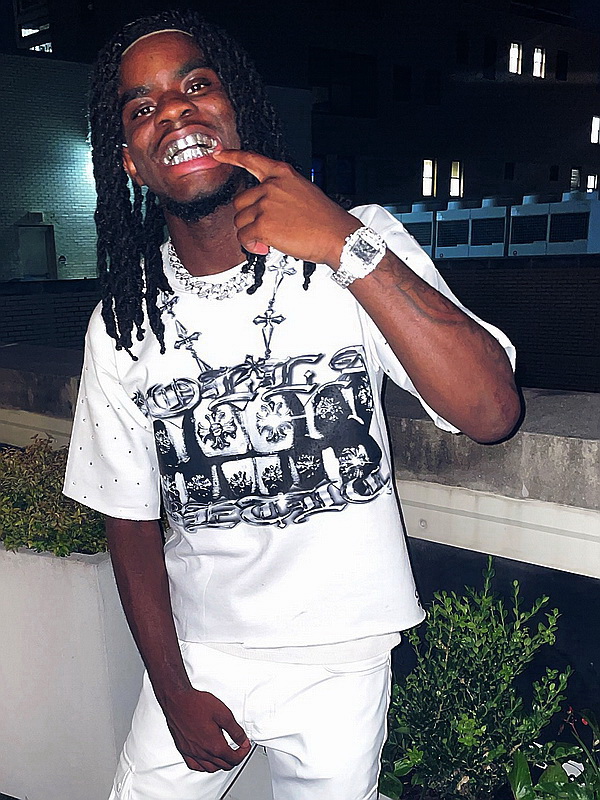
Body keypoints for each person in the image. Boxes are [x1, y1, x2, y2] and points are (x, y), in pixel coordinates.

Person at [63, 9, 520, 800]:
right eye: (142, 107)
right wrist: (171, 689)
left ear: (235, 108)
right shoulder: (124, 320)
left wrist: (344, 244)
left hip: (344, 660)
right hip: (203, 653)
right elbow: (129, 516)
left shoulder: (357, 240)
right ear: (130, 163)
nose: (173, 111)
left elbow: (491, 411)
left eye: (195, 85)